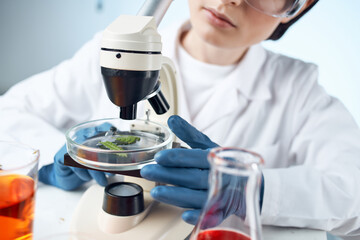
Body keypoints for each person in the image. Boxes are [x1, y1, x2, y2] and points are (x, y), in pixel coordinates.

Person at [0, 0, 359, 238]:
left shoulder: (300, 91)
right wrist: (54, 157)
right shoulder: (114, 50)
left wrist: (254, 188)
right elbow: (10, 110)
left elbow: (353, 192)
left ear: (296, 7)